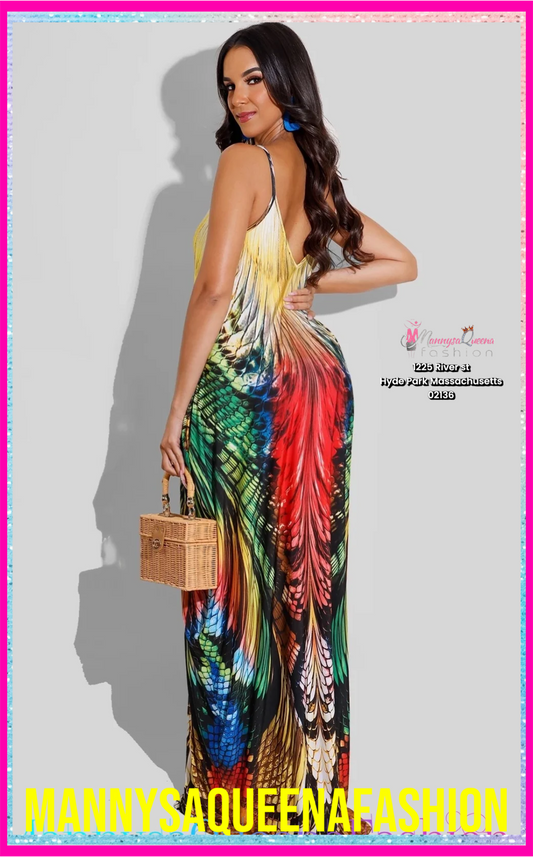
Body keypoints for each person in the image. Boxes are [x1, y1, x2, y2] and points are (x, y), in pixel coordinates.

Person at [160, 22, 417, 836]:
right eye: (227, 86)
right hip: (315, 383)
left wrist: (174, 408)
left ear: (284, 80)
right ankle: (312, 791)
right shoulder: (310, 169)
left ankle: (234, 791)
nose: (238, 98)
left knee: (228, 587)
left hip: (246, 390)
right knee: (309, 587)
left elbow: (213, 290)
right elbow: (401, 261)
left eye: (252, 80)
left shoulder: (244, 163)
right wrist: (308, 290)